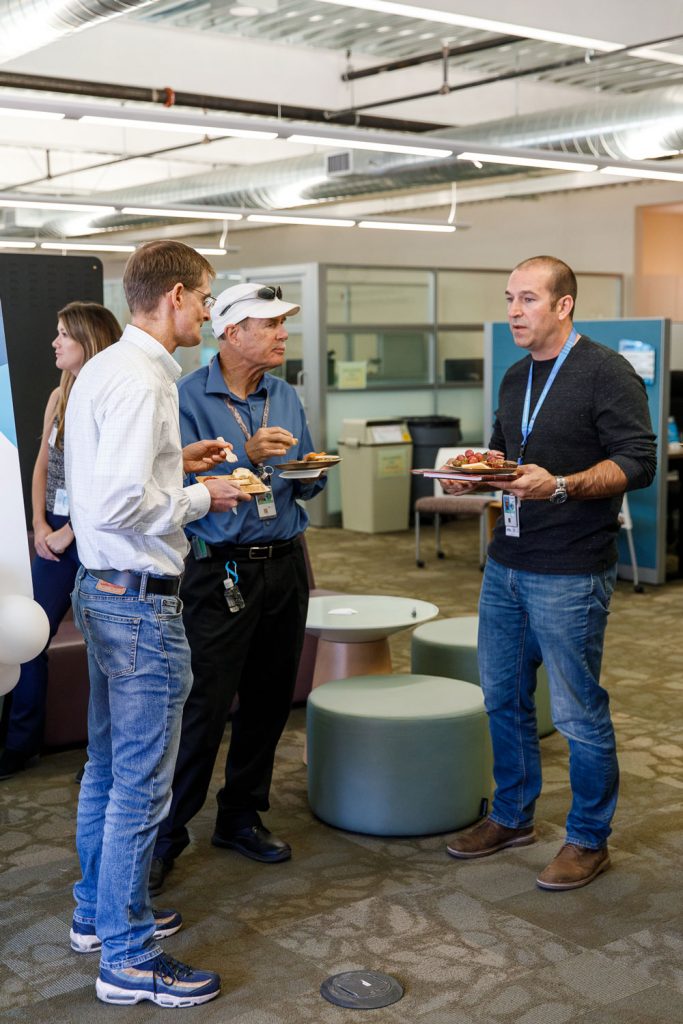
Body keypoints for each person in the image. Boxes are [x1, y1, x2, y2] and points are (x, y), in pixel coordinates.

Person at [65, 240, 250, 1008]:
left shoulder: (106, 368)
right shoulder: (143, 379)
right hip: (138, 604)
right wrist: (209, 496)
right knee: (141, 788)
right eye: (205, 298)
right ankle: (130, 958)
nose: (209, 311)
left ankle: (96, 914)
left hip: (101, 587)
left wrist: (180, 467)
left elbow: (115, 481)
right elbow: (117, 504)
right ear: (174, 296)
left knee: (107, 771)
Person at [444, 255, 656, 890]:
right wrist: (474, 475)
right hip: (506, 562)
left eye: (528, 299)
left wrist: (561, 485)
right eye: (509, 297)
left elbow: (638, 462)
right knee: (503, 698)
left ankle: (589, 838)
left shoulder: (606, 372)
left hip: (570, 570)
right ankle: (512, 816)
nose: (513, 310)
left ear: (564, 305)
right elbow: (504, 452)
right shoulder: (515, 377)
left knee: (575, 710)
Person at [149, 281, 326, 896]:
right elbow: (173, 487)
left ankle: (240, 815)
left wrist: (304, 472)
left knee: (270, 697)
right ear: (231, 333)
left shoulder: (286, 394)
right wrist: (245, 460)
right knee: (203, 705)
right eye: (271, 324)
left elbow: (300, 483)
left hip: (284, 562)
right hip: (216, 567)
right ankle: (166, 835)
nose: (283, 334)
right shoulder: (182, 397)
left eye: (284, 324)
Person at [0, 302, 120, 782]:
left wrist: (72, 529)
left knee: (107, 646)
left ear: (88, 341)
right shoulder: (59, 395)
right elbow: (42, 465)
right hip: (54, 529)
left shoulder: (111, 395)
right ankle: (20, 742)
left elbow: (108, 479)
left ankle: (103, 755)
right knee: (29, 636)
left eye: (63, 335)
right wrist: (40, 525)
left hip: (97, 533)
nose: (54, 342)